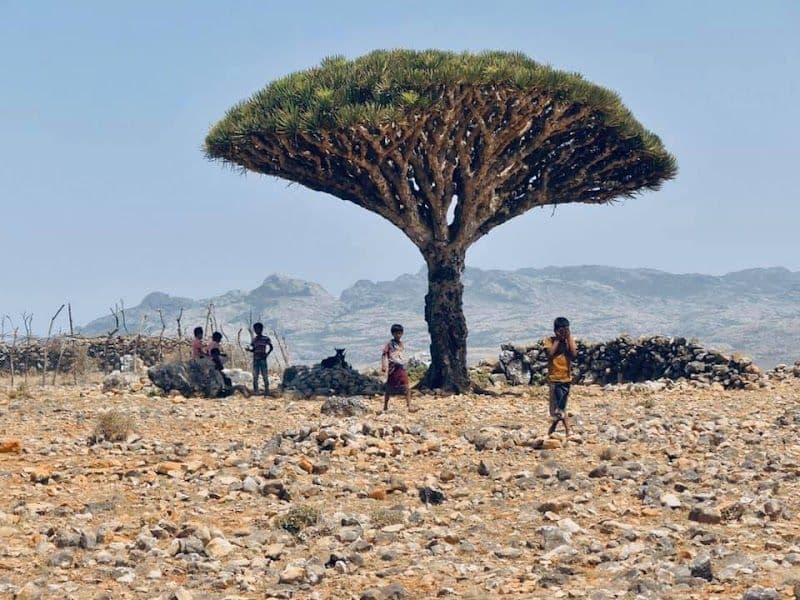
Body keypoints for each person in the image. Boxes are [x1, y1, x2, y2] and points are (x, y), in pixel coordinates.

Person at [543, 317, 577, 438]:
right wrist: (557, 340)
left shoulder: (569, 341)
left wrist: (568, 338)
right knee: (558, 408)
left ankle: (559, 430)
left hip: (566, 378)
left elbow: (573, 354)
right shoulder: (549, 341)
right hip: (554, 378)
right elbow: (550, 354)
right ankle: (564, 430)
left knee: (561, 407)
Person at [381, 323, 415, 412]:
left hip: (401, 368)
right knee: (389, 388)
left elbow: (402, 355)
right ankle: (385, 406)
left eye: (400, 333)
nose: (398, 335)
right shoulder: (389, 344)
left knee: (407, 386)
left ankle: (409, 406)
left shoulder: (401, 344)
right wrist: (384, 365)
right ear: (393, 334)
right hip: (393, 368)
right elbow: (384, 354)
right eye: (396, 333)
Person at [247, 322, 273, 396]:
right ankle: (256, 391)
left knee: (265, 375)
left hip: (262, 359)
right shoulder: (254, 340)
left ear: (261, 329)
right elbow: (253, 349)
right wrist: (249, 350)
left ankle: (267, 391)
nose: (257, 331)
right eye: (255, 329)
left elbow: (271, 347)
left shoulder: (265, 338)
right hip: (256, 359)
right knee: (255, 375)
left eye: (258, 329)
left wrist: (266, 354)